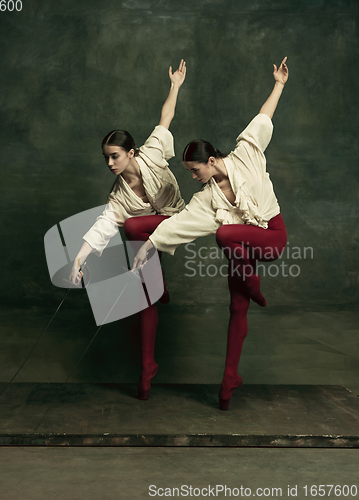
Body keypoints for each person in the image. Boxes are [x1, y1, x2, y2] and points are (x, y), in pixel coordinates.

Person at [132, 57, 289, 410]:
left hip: (270, 238)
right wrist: (148, 248)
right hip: (241, 254)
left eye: (194, 170)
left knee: (223, 236)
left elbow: (264, 118)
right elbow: (180, 224)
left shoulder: (247, 152)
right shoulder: (206, 200)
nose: (192, 177)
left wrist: (278, 84)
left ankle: (253, 284)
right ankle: (228, 382)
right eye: (188, 172)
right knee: (237, 307)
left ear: (213, 160)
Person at [69, 60, 187, 400]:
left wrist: (175, 85)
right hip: (150, 239)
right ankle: (147, 365)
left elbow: (165, 118)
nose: (110, 164)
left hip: (177, 221)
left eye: (115, 156)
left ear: (132, 152)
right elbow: (103, 226)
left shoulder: (152, 152)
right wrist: (79, 258)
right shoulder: (118, 195)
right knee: (145, 292)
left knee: (135, 226)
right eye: (106, 158)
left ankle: (155, 282)